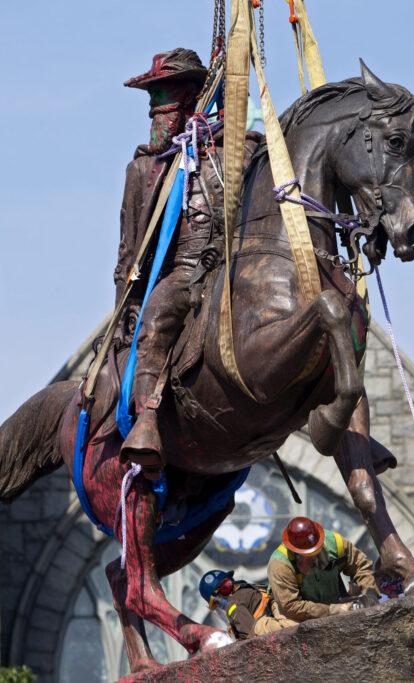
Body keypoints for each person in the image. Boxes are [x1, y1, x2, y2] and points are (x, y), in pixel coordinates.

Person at [114, 48, 260, 479]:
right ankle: (146, 423)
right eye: (152, 106)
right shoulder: (143, 168)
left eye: (164, 104)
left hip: (234, 273)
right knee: (157, 319)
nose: (155, 117)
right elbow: (128, 251)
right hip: (184, 275)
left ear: (191, 102)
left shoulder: (237, 151)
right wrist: (125, 304)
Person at [267, 516, 381, 622]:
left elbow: (360, 565)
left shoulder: (336, 543)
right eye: (308, 556)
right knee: (293, 631)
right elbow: (291, 606)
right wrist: (339, 610)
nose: (314, 559)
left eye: (316, 552)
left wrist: (370, 593)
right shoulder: (280, 565)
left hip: (332, 601)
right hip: (293, 613)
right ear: (295, 552)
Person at [200, 569, 298, 640]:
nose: (219, 606)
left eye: (216, 602)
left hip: (280, 624)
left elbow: (249, 638)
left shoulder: (232, 604)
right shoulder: (249, 587)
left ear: (224, 589)